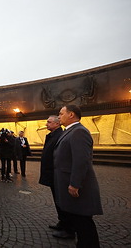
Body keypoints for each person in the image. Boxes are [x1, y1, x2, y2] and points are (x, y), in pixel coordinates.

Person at [53, 105, 103, 247]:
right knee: (79, 221)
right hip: (71, 185)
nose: (59, 116)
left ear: (71, 115)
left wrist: (75, 184)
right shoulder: (70, 131)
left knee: (83, 222)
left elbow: (81, 161)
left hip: (80, 188)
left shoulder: (79, 132)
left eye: (61, 113)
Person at [38, 115, 75, 238]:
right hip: (52, 174)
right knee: (58, 200)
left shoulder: (60, 136)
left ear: (57, 124)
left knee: (62, 200)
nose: (46, 124)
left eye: (49, 122)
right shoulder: (52, 135)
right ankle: (62, 222)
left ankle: (68, 228)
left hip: (57, 174)